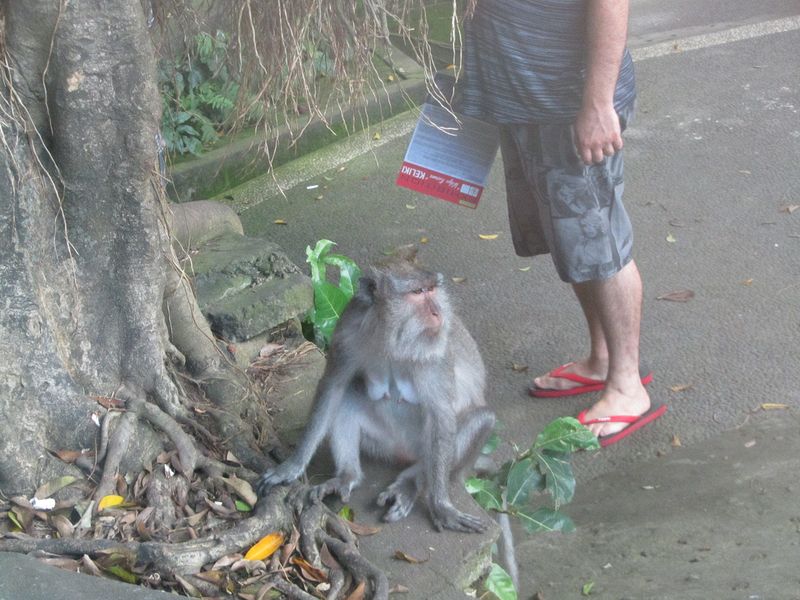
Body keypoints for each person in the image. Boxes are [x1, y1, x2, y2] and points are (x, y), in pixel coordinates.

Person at [460, 0, 665, 446]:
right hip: (522, 99)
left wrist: (597, 104)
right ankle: (602, 358)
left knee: (600, 242)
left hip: (568, 106)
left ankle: (628, 386)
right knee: (573, 243)